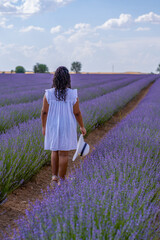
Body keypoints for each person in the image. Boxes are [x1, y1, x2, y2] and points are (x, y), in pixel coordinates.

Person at [41, 66, 86, 186]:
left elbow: (44, 112)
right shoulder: (72, 94)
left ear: (55, 79)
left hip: (52, 125)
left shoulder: (48, 94)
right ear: (67, 79)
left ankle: (54, 177)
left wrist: (44, 126)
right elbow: (77, 112)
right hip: (67, 125)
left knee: (54, 150)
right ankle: (62, 179)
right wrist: (82, 126)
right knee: (64, 153)